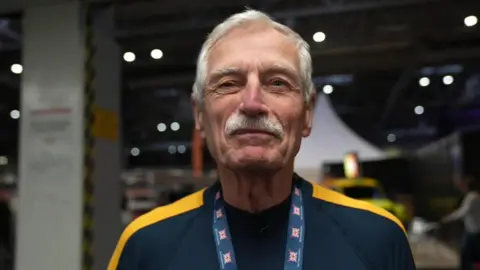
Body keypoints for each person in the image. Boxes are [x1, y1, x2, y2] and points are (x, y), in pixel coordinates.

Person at [108, 9, 415, 270]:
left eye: (278, 83)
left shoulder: (377, 240)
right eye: (228, 83)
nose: (252, 103)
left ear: (307, 113)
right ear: (200, 114)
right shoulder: (146, 245)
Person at [440, 176, 480, 270]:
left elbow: (462, 212)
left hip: (472, 232)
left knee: (465, 257)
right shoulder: (477, 196)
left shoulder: (471, 196)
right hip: (477, 231)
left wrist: (447, 218)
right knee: (475, 256)